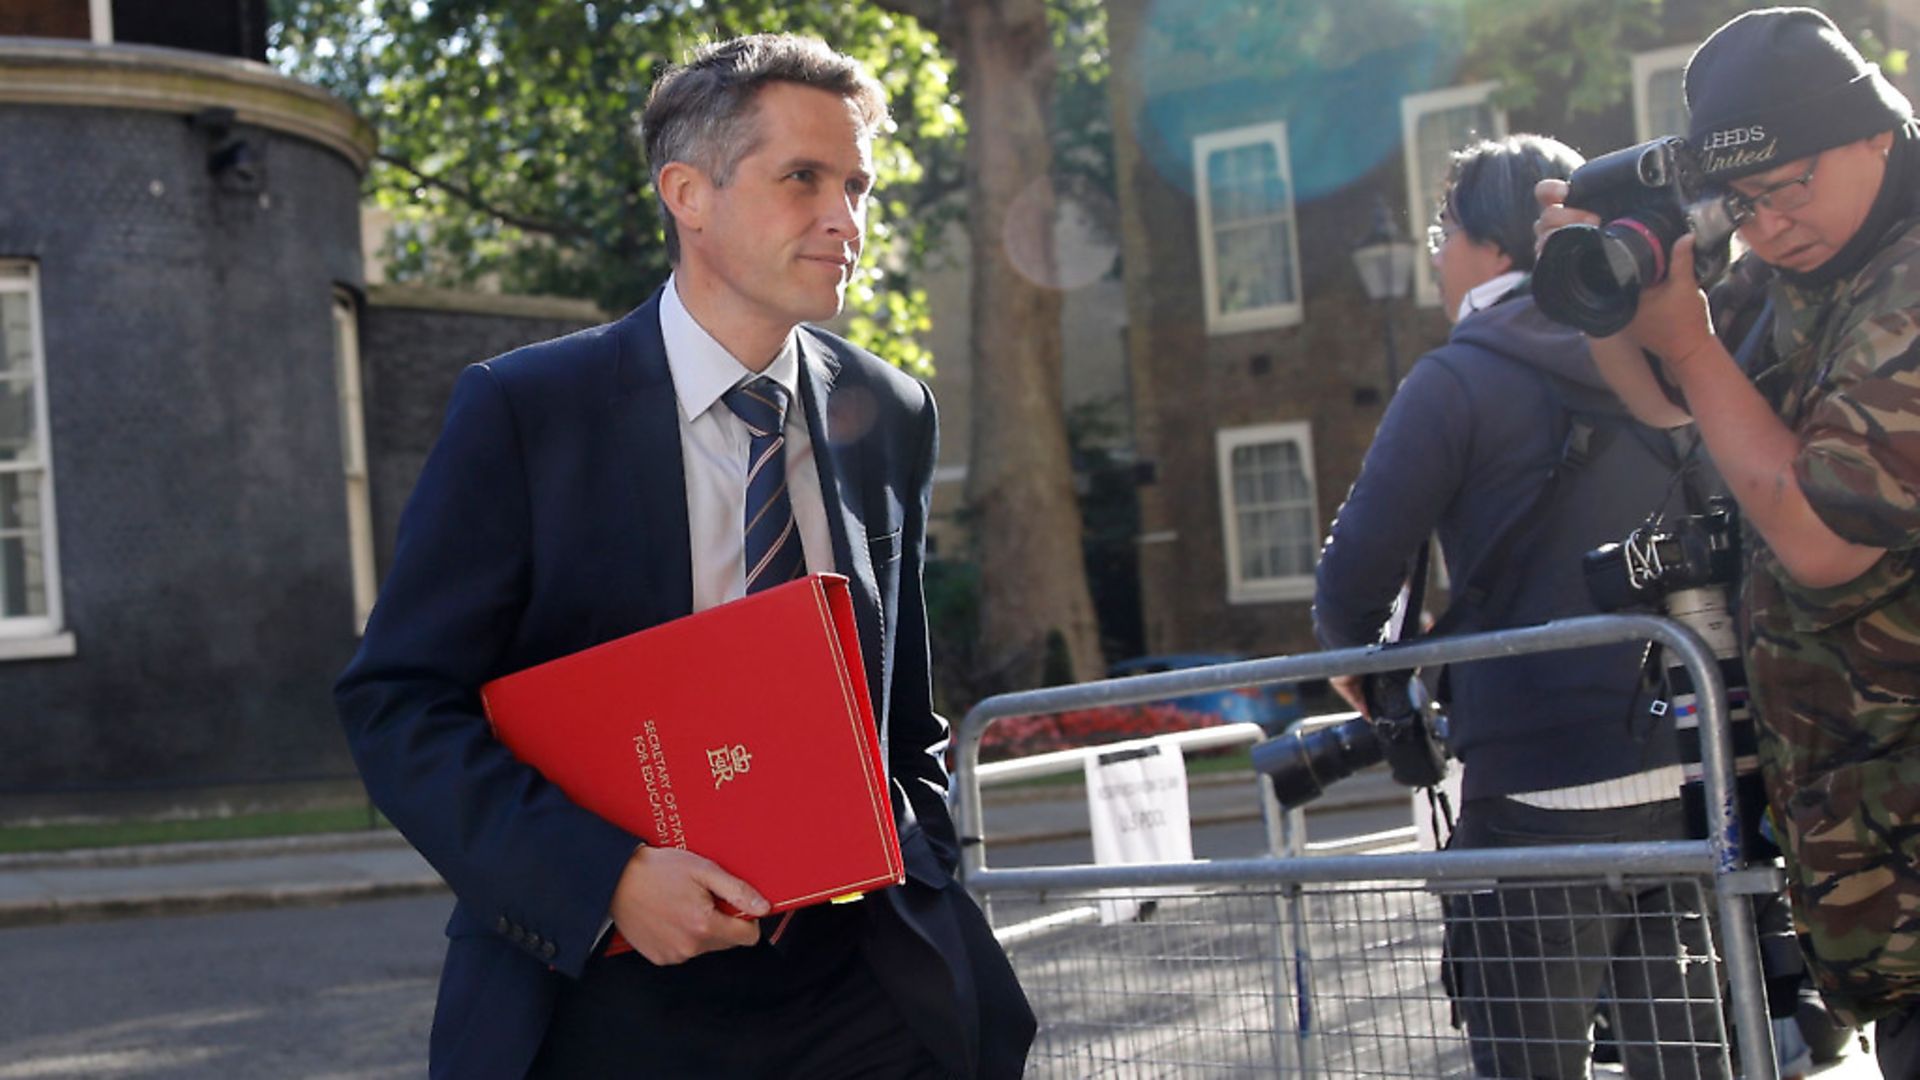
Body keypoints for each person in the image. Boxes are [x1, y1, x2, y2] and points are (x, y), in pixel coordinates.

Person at [334, 33, 1034, 1080]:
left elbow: (902, 715)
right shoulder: (526, 412)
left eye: (858, 184)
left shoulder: (888, 412)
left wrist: (919, 866)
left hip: (859, 987)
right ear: (688, 194)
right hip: (610, 997)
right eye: (803, 178)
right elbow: (399, 706)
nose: (846, 219)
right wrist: (605, 880)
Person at [1536, 8, 1920, 1073]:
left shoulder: (1910, 280)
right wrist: (1609, 294)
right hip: (1883, 876)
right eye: (1744, 202)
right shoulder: (1815, 268)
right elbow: (1667, 405)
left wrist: (1696, 343)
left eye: (1792, 183)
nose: (1771, 223)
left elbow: (1822, 538)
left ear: (1876, 133)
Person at [1314, 134, 1719, 1078]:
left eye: (1441, 232)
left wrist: (1374, 686)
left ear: (1491, 245)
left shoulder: (1455, 381)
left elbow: (1350, 587)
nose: (1435, 255)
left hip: (1532, 785)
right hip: (1679, 773)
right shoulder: (1657, 359)